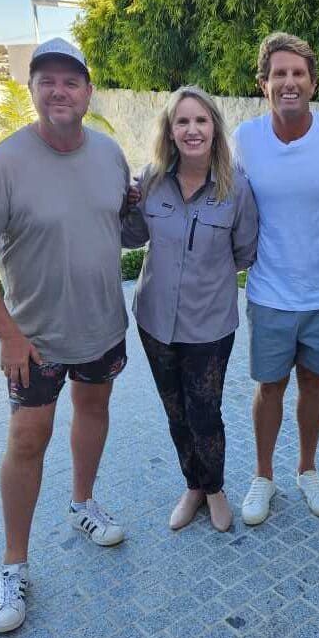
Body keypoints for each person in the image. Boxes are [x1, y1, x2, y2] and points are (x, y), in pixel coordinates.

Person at [0, 38, 130, 634]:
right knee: (28, 441)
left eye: (71, 81)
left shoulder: (109, 154)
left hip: (104, 325)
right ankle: (14, 565)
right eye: (47, 80)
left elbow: (122, 223)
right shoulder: (1, 165)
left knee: (94, 408)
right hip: (36, 341)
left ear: (88, 92)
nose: (60, 91)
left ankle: (83, 504)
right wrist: (8, 336)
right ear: (32, 90)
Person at [234, 32, 319, 526]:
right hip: (269, 290)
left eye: (299, 73)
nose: (289, 82)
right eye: (279, 74)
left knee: (314, 382)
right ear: (263, 83)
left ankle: (307, 470)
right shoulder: (245, 138)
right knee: (270, 386)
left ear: (312, 83)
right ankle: (263, 476)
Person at [123, 85, 258, 532]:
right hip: (155, 320)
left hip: (209, 325)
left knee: (205, 413)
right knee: (175, 411)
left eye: (201, 120)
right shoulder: (152, 181)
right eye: (183, 121)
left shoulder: (236, 186)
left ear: (214, 128)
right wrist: (123, 205)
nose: (192, 129)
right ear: (170, 130)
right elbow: (133, 237)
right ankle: (193, 486)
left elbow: (244, 252)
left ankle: (215, 488)